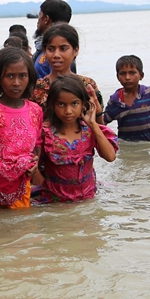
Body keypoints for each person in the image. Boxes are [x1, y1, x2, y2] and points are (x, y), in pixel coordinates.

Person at [0, 47, 43, 209]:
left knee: (23, 230)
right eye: (10, 76)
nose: (16, 82)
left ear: (30, 78)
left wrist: (35, 163)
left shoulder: (35, 110)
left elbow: (37, 145)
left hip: (21, 188)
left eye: (22, 76)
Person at [32, 76, 118, 204]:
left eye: (74, 104)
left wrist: (93, 124)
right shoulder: (44, 133)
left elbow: (110, 157)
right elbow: (34, 166)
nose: (68, 111)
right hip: (54, 202)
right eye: (61, 104)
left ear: (83, 104)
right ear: (52, 105)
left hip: (87, 199)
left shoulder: (90, 130)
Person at [29, 24, 103, 121]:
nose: (56, 55)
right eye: (51, 49)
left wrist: (97, 113)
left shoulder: (88, 86)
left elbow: (100, 127)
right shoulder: (36, 89)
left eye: (63, 49)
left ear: (75, 51)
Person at [103, 55, 150, 142]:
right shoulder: (115, 100)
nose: (127, 77)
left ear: (141, 75)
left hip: (148, 146)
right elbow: (102, 124)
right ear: (117, 77)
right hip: (126, 149)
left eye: (132, 73)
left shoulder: (149, 93)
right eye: (123, 73)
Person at [32, 0, 72, 78]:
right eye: (51, 49)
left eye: (40, 15)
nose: (56, 54)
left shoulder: (52, 57)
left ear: (46, 19)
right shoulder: (69, 49)